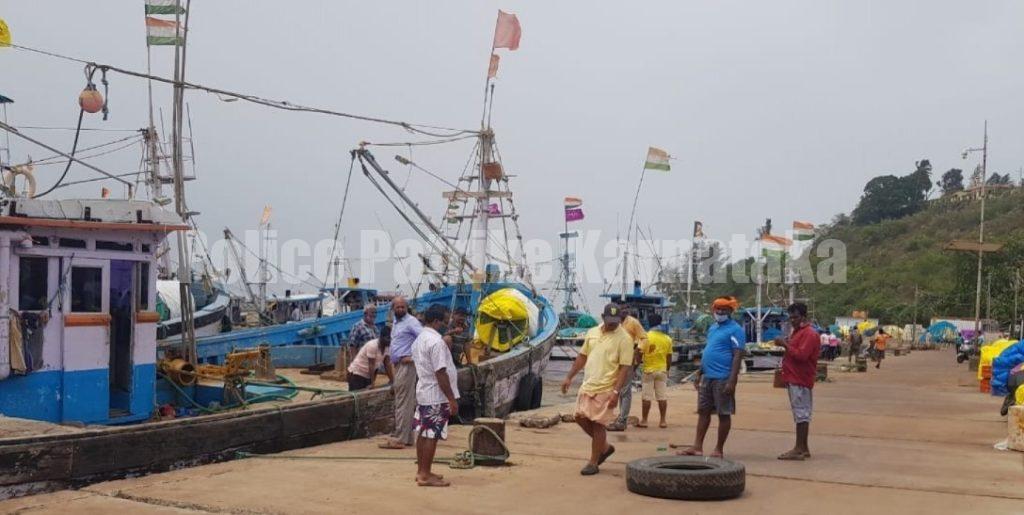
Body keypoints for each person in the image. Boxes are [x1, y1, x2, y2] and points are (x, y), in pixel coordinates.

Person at [561, 303, 634, 476]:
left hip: (607, 386)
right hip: (588, 384)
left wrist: (616, 392)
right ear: (602, 317)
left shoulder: (625, 339)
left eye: (616, 321)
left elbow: (624, 368)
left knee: (598, 424)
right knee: (579, 417)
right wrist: (569, 377)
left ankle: (593, 462)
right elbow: (582, 356)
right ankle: (605, 447)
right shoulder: (592, 332)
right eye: (609, 321)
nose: (612, 324)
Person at [677, 296, 745, 458]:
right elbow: (708, 350)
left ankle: (719, 449)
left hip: (723, 377)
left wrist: (732, 380)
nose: (720, 312)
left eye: (724, 309)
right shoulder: (713, 328)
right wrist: (699, 373)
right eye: (717, 309)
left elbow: (737, 355)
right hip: (707, 376)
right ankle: (697, 447)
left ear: (730, 311)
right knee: (703, 412)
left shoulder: (736, 330)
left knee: (723, 413)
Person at [411, 304, 460, 487]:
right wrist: (451, 398)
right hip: (435, 395)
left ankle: (422, 470)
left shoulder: (419, 339)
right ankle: (425, 474)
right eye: (445, 321)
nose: (447, 325)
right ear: (437, 321)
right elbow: (440, 372)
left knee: (423, 433)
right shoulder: (436, 342)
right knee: (432, 435)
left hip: (424, 391)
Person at [773, 302, 820, 461]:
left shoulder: (809, 334)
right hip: (794, 376)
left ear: (803, 317)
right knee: (801, 412)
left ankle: (799, 448)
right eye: (791, 318)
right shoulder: (798, 332)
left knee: (801, 413)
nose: (792, 320)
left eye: (795, 317)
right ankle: (803, 447)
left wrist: (785, 345)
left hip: (800, 378)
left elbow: (801, 355)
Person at [379, 297, 422, 449]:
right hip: (398, 365)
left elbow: (424, 339)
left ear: (407, 307)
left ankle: (399, 438)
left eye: (403, 307)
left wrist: (413, 357)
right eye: (397, 307)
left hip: (406, 365)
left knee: (402, 402)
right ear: (393, 309)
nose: (400, 309)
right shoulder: (397, 322)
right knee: (406, 401)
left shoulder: (411, 322)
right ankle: (407, 437)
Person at [607, 304, 648, 432]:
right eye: (622, 310)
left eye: (626, 310)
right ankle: (618, 416)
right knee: (616, 389)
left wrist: (638, 351)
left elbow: (644, 338)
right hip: (614, 360)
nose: (624, 312)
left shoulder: (633, 322)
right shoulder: (614, 322)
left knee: (625, 390)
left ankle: (622, 420)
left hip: (627, 359)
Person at [639, 313, 672, 429]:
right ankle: (663, 421)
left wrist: (635, 365)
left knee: (646, 397)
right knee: (662, 397)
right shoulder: (667, 339)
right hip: (662, 370)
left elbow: (639, 353)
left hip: (648, 370)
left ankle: (644, 420)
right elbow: (669, 357)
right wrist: (667, 370)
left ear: (649, 323)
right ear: (660, 323)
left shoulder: (645, 337)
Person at [347, 325, 394, 391]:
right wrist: (372, 383)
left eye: (391, 338)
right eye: (388, 338)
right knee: (357, 395)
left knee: (367, 394)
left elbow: (387, 364)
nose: (390, 341)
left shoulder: (387, 347)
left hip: (367, 374)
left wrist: (392, 380)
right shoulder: (373, 346)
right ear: (382, 337)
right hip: (357, 373)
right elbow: (371, 365)